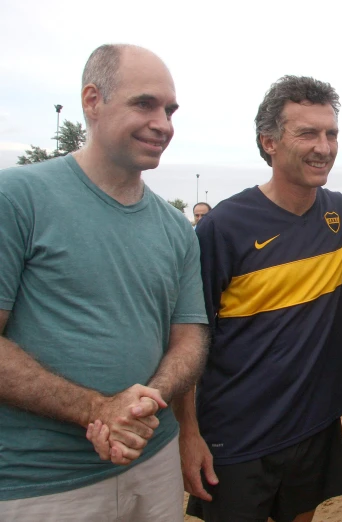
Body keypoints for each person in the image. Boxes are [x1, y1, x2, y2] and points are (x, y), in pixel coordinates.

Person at [0, 44, 208, 520]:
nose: (164, 123)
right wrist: (97, 408)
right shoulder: (17, 198)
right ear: (92, 101)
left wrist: (142, 407)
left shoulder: (175, 227)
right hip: (41, 483)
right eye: (144, 103)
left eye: (170, 110)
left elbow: (190, 337)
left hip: (154, 466)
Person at [178, 76, 342, 522]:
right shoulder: (223, 227)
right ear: (269, 142)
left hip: (314, 426)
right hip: (236, 436)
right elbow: (185, 334)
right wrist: (187, 432)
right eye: (307, 133)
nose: (324, 147)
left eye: (331, 133)